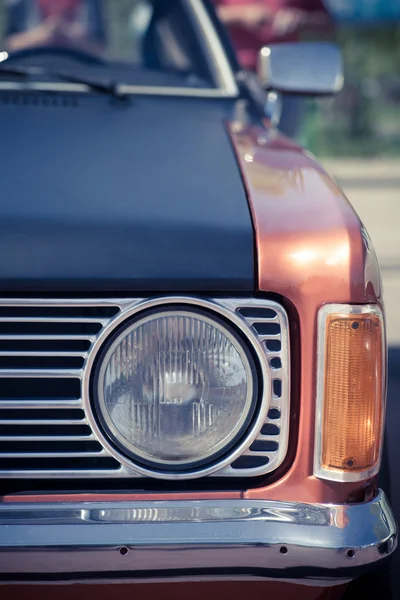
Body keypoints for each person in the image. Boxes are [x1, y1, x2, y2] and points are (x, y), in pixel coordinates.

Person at [213, 0, 334, 138]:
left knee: (282, 145)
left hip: (287, 79)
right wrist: (242, 15)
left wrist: (301, 19)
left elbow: (327, 23)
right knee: (239, 140)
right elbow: (195, 15)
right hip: (236, 78)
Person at [3, 0, 106, 55]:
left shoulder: (90, 2)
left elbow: (100, 48)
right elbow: (11, 44)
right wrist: (44, 34)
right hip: (32, 74)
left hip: (80, 75)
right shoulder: (21, 2)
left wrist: (66, 34)